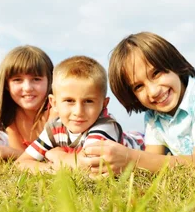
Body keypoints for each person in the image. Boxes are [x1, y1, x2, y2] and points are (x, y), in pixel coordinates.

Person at [80, 32, 195, 175]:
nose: (153, 91)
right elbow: (152, 161)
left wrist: (130, 157)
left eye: (156, 73)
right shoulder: (153, 116)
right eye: (139, 86)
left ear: (172, 63)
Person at [15, 55, 144, 174]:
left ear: (104, 105)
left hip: (141, 142)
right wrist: (52, 169)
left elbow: (87, 167)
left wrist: (58, 155)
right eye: (69, 101)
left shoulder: (105, 126)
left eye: (88, 101)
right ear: (53, 103)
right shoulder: (54, 128)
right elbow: (21, 163)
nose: (78, 112)